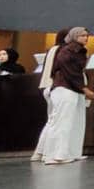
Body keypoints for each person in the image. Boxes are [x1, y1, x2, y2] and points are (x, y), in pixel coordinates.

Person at [36, 28, 94, 165]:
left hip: (72, 89)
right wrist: (84, 88)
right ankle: (55, 154)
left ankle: (70, 152)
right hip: (65, 88)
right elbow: (69, 71)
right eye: (82, 35)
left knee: (74, 121)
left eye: (87, 35)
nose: (86, 38)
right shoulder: (67, 51)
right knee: (62, 122)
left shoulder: (78, 51)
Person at [31, 28, 71, 162]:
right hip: (57, 87)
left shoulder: (52, 49)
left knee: (51, 121)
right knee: (56, 122)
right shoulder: (64, 50)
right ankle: (49, 153)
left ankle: (40, 152)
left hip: (48, 86)